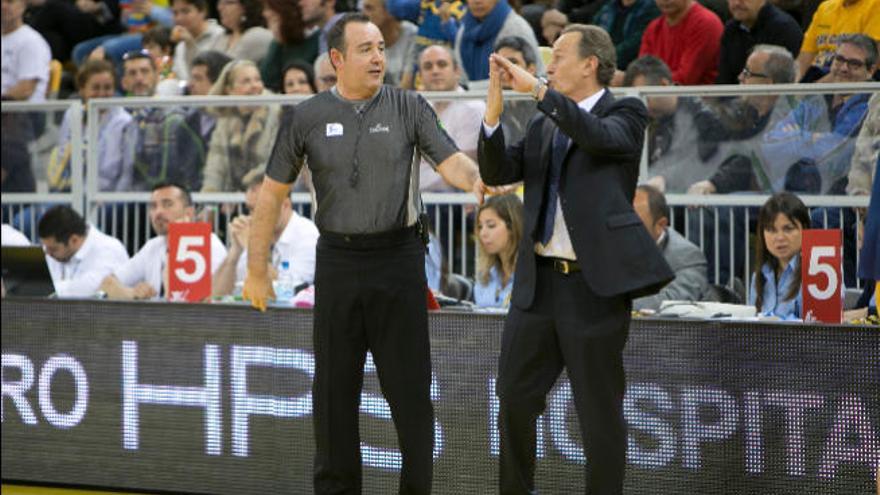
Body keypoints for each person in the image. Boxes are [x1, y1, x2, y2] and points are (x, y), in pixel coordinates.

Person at [242, 13, 482, 494]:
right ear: (337, 59)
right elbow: (269, 196)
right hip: (337, 261)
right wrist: (256, 270)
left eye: (380, 48)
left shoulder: (409, 105)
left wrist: (476, 180)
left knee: (411, 394)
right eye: (366, 49)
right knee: (333, 394)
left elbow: (450, 158)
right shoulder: (306, 115)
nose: (378, 57)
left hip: (398, 259)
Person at [479, 23, 673, 493]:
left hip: (593, 288)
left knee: (598, 413)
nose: (549, 64)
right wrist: (494, 109)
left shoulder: (626, 109)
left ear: (591, 63)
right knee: (514, 401)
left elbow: (599, 138)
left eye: (559, 55)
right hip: (538, 285)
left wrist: (539, 92)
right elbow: (497, 170)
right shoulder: (546, 121)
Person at [100, 182, 227, 299]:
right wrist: (132, 293)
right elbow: (107, 284)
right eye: (154, 206)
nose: (158, 212)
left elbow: (210, 299)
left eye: (167, 204)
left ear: (189, 213)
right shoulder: (153, 246)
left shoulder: (210, 244)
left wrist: (181, 239)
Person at [212, 173, 318, 297]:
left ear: (285, 205)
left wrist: (251, 249)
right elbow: (216, 294)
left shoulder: (307, 235)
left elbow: (289, 291)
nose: (255, 217)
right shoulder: (252, 236)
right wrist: (235, 253)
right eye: (251, 209)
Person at [120, 50, 206, 191]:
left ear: (157, 77)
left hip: (159, 193)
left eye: (145, 71)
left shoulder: (172, 116)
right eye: (132, 73)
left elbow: (172, 170)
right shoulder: (121, 115)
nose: (139, 78)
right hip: (124, 195)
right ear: (124, 82)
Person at [49, 59, 133, 193]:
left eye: (107, 88)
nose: (101, 94)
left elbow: (127, 174)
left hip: (108, 196)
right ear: (82, 90)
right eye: (95, 88)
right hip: (71, 192)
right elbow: (62, 156)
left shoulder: (125, 121)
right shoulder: (72, 115)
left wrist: (113, 201)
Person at [201, 60, 281, 192]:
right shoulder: (225, 120)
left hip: (268, 192)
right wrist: (210, 200)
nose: (255, 86)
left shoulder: (276, 113)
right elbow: (215, 167)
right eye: (246, 81)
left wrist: (248, 188)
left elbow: (276, 163)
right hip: (235, 199)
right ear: (229, 90)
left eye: (257, 79)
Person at [417, 44, 486, 191]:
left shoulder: (473, 107)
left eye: (442, 64)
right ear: (420, 76)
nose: (435, 71)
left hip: (450, 198)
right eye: (428, 67)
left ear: (457, 71)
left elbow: (463, 169)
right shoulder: (417, 108)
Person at [632, 184, 708, 310]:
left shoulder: (688, 256)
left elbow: (672, 301)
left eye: (634, 224)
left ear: (660, 225)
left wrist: (613, 305)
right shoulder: (610, 247)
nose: (623, 231)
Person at [37, 205, 130, 298]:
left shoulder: (110, 249)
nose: (47, 253)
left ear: (74, 240)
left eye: (53, 249)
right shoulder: (54, 249)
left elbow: (92, 288)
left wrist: (41, 288)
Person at [749, 191, 810, 320]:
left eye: (788, 229)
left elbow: (822, 326)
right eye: (771, 230)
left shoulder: (819, 271)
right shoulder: (759, 275)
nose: (780, 238)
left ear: (805, 229)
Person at [454, 0, 544, 86]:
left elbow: (535, 75)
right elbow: (460, 77)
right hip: (472, 99)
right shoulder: (463, 31)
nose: (477, 1)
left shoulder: (516, 27)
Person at [715, 0, 802, 84]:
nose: (737, 3)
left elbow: (785, 84)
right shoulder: (731, 29)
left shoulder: (784, 29)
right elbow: (724, 80)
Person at [638, 0, 724, 85]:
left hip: (700, 97)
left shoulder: (705, 23)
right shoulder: (653, 28)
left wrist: (648, 83)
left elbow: (685, 79)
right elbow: (640, 72)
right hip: (658, 94)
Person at [795, 0, 880, 81]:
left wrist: (812, 90)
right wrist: (794, 89)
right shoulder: (825, 7)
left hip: (848, 84)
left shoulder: (876, 6)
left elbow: (867, 65)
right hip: (814, 78)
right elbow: (804, 59)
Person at [474, 193, 523, 308]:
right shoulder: (484, 274)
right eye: (480, 227)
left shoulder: (531, 273)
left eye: (491, 225)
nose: (483, 233)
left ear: (512, 227)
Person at [259, 0, 318, 92]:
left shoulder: (315, 39)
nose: (264, 13)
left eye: (269, 9)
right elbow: (266, 80)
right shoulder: (279, 43)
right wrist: (278, 40)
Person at [2, 0, 51, 102]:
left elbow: (25, 90)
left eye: (10, 1)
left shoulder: (31, 41)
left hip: (21, 113)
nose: (3, 6)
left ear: (23, 6)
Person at [361, 0, 418, 86]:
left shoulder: (412, 35)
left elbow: (406, 87)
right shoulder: (360, 37)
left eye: (369, 8)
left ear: (390, 11)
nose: (363, 15)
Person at [592, 0, 661, 71]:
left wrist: (605, 57)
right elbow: (592, 33)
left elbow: (635, 44)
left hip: (628, 68)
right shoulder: (609, 7)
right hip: (603, 61)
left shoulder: (651, 8)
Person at [168, 0, 224, 80]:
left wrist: (190, 44)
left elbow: (209, 78)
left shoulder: (219, 36)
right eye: (175, 13)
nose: (179, 18)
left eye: (185, 11)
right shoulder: (180, 47)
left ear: (202, 11)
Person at [206, 0, 273, 64]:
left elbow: (231, 69)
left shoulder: (257, 35)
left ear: (245, 7)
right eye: (220, 2)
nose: (220, 7)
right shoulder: (221, 36)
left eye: (229, 2)